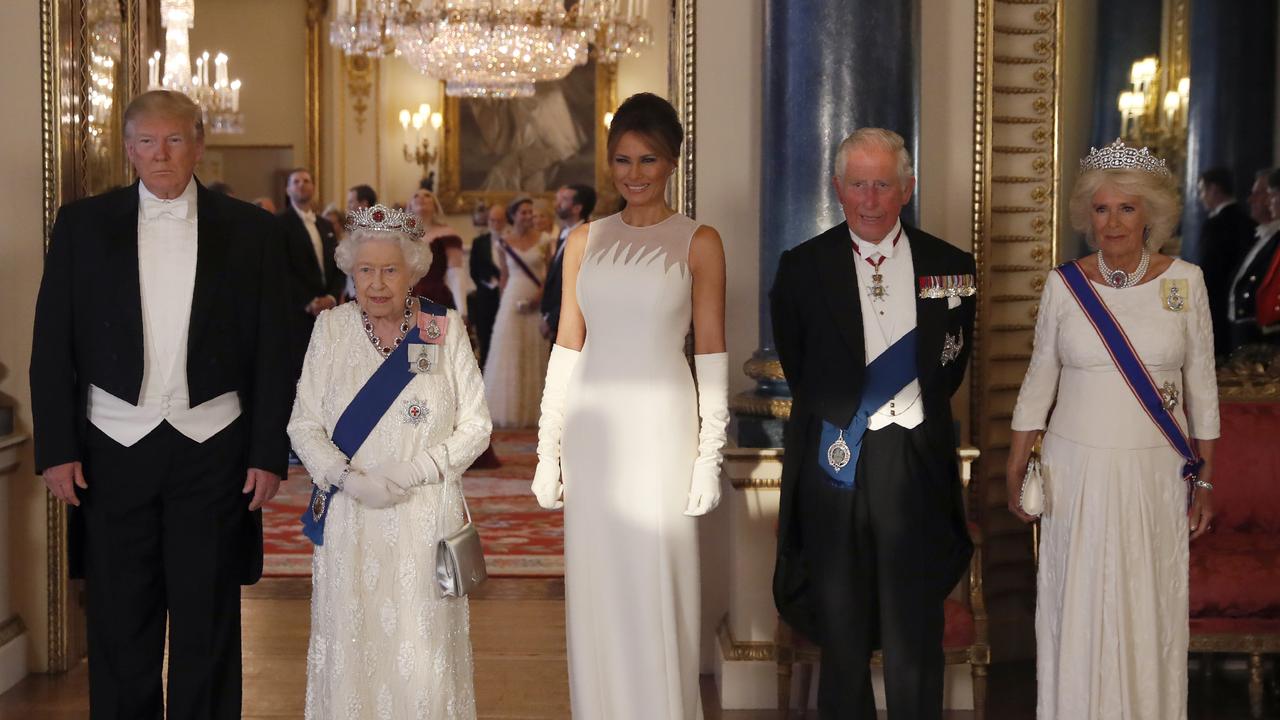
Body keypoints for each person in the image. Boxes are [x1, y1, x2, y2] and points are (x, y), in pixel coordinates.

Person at [30, 89, 292, 718]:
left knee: (208, 621)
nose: (161, 154)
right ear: (128, 151)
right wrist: (57, 450)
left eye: (175, 140)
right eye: (146, 141)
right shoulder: (81, 225)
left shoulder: (253, 231)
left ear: (199, 145)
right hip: (112, 450)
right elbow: (50, 347)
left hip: (214, 452)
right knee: (120, 623)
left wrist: (268, 453)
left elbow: (275, 350)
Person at [531, 92, 729, 719]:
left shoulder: (700, 241)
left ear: (672, 162)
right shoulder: (584, 240)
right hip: (594, 433)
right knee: (599, 589)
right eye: (622, 160)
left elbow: (713, 356)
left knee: (657, 584)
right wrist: (546, 450)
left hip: (664, 431)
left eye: (648, 160)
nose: (634, 174)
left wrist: (708, 458)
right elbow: (567, 345)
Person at [1008, 139, 1219, 720]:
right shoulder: (1064, 285)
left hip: (1154, 469)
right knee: (1076, 603)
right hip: (1075, 470)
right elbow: (1038, 380)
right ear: (1086, 215)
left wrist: (1205, 481)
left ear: (1150, 213)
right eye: (1101, 209)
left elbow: (1202, 385)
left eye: (1126, 208)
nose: (1113, 221)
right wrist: (1015, 463)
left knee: (1144, 604)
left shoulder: (1186, 283)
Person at [769, 127, 975, 719]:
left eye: (883, 184)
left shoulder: (950, 266)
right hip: (839, 458)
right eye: (858, 184)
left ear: (906, 189)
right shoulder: (802, 268)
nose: (870, 198)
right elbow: (800, 366)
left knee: (914, 628)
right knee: (844, 628)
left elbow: (952, 363)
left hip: (914, 460)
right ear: (838, 188)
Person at [287, 203, 491, 718]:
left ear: (413, 270)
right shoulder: (330, 330)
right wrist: (348, 479)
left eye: (390, 270)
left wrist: (415, 470)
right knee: (355, 645)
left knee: (422, 652)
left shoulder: (440, 327)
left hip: (425, 516)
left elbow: (477, 426)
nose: (377, 284)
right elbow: (302, 425)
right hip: (351, 519)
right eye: (365, 270)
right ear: (350, 273)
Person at [483, 197, 553, 427]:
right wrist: (504, 305)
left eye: (531, 212)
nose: (528, 216)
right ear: (513, 216)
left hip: (536, 298)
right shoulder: (502, 243)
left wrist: (539, 297)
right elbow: (504, 275)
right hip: (512, 300)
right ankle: (510, 411)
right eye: (523, 212)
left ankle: (534, 412)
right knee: (510, 352)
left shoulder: (544, 240)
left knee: (534, 351)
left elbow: (550, 274)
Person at [280, 168, 346, 377]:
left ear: (314, 188)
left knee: (328, 370)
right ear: (288, 189)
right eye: (296, 181)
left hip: (327, 312)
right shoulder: (279, 223)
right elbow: (282, 269)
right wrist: (308, 301)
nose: (302, 184)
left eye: (306, 181)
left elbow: (338, 264)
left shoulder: (325, 224)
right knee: (301, 373)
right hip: (297, 313)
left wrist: (332, 296)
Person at [1197, 167, 1257, 357]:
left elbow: (1209, 269)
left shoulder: (1215, 225)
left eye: (1202, 190)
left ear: (1214, 189)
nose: (1201, 197)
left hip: (1216, 304)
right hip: (1240, 307)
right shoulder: (1248, 221)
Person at [1227, 168, 1280, 350]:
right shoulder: (1260, 235)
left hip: (1265, 337)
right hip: (1247, 333)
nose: (1250, 200)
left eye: (1259, 194)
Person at [541, 183, 596, 342]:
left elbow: (579, 288)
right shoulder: (564, 234)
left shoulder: (587, 239)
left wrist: (552, 319)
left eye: (564, 199)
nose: (557, 204)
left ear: (577, 208)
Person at [408, 187, 468, 316]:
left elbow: (456, 273)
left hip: (436, 298)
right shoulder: (400, 237)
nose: (421, 198)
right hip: (406, 299)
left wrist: (462, 308)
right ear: (410, 206)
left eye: (427, 195)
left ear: (435, 205)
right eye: (416, 196)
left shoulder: (447, 234)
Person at [469, 204, 507, 368]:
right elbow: (474, 270)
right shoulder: (479, 242)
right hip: (486, 298)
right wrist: (488, 282)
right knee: (486, 339)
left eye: (499, 221)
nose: (496, 224)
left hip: (508, 296)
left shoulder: (512, 240)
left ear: (506, 221)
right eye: (492, 220)